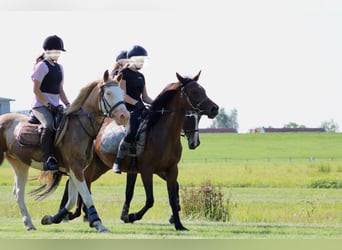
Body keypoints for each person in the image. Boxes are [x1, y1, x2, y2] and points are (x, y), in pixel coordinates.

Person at [31, 35, 70, 171]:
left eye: (59, 52)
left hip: (56, 106)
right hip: (40, 106)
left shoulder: (60, 68)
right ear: (47, 51)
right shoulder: (41, 66)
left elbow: (60, 90)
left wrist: (68, 104)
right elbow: (36, 90)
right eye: (55, 51)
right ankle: (47, 159)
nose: (58, 54)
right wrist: (48, 105)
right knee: (48, 126)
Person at [113, 45, 153, 174]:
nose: (141, 63)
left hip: (140, 108)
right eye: (139, 60)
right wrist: (136, 103)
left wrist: (157, 103)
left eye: (143, 60)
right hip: (128, 109)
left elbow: (145, 97)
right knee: (131, 132)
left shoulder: (142, 76)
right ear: (131, 60)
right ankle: (118, 161)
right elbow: (122, 95)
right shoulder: (123, 73)